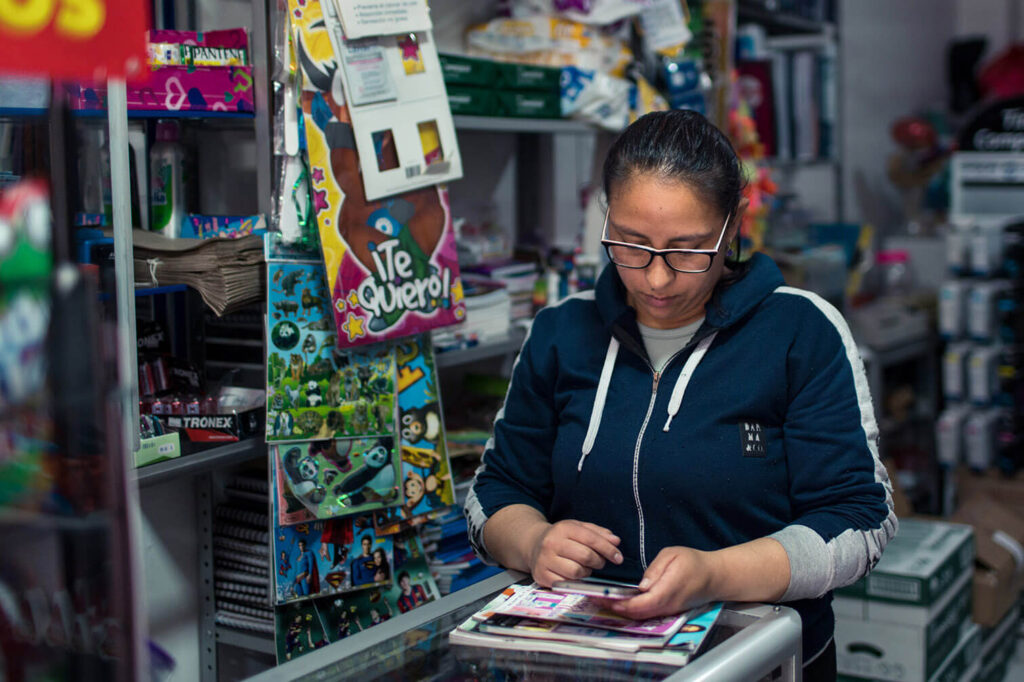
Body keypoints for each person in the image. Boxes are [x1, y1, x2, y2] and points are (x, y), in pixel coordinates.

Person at [464, 109, 897, 681]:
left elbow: (859, 522)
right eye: (632, 245)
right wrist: (533, 540)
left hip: (758, 663)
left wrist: (716, 574)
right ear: (607, 220)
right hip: (587, 661)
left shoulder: (800, 331)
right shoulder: (560, 333)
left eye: (688, 250)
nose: (657, 279)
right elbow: (494, 490)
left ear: (733, 225)